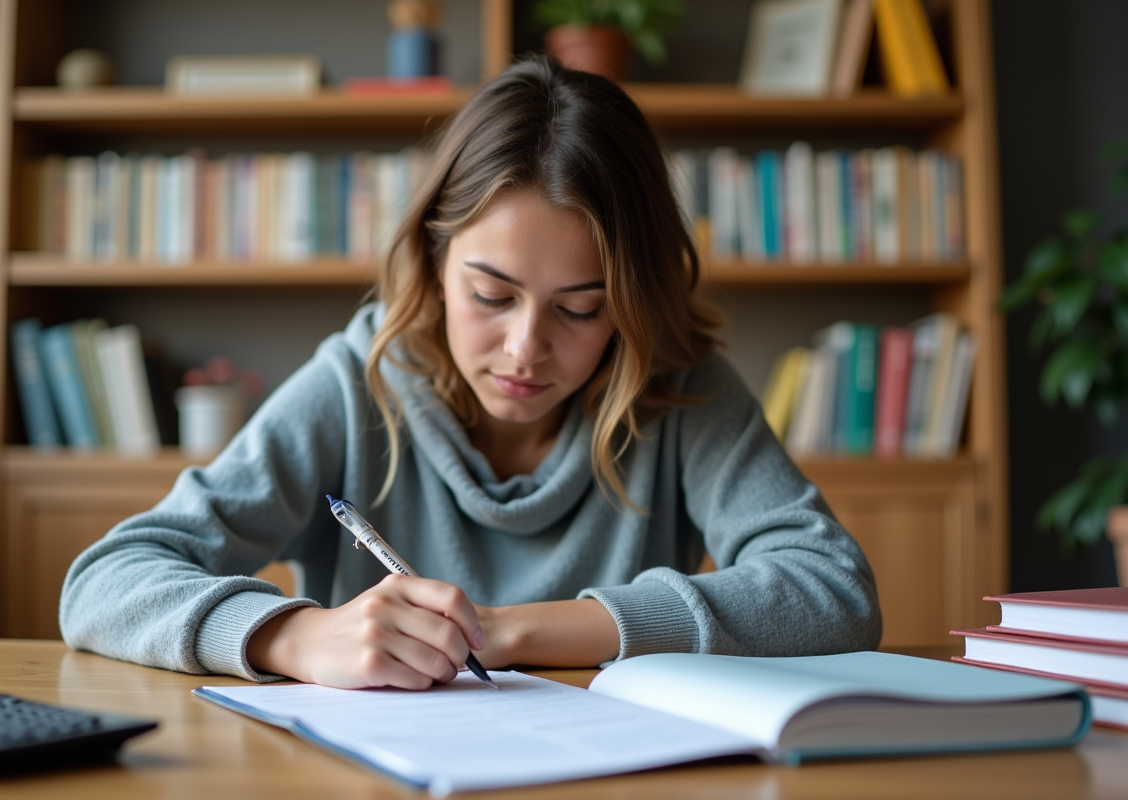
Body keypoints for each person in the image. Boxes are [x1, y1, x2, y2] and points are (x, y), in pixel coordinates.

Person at [60, 55, 882, 690]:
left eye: (582, 308)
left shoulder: (678, 388)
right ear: (433, 261)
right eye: (492, 295)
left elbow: (832, 590)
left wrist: (507, 631)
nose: (525, 348)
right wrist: (299, 637)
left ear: (631, 301)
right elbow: (105, 581)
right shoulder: (358, 382)